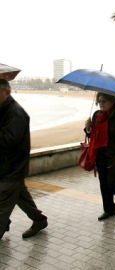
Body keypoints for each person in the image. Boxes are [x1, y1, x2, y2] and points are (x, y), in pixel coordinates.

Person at [0, 79, 48, 240]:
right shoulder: (4, 110)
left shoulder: (16, 113)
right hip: (6, 167)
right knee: (20, 195)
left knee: (2, 203)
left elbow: (8, 140)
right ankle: (39, 220)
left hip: (12, 168)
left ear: (7, 92)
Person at [85, 93, 115, 221]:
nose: (101, 103)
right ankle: (109, 210)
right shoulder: (96, 115)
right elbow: (93, 136)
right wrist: (88, 129)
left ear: (113, 101)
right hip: (100, 155)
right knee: (104, 184)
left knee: (112, 182)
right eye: (99, 101)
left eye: (104, 101)